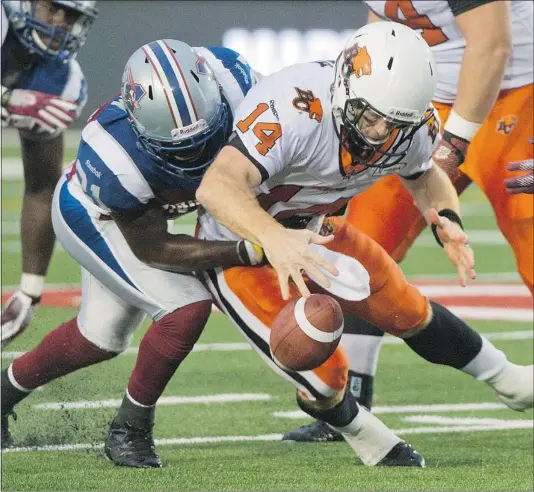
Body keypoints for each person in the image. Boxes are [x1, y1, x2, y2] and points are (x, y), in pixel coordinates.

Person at [195, 21, 533, 467]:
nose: (376, 133)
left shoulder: (409, 125)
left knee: (405, 307)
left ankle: (513, 383)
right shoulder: (296, 107)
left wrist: (445, 217)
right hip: (241, 246)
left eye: (391, 124)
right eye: (368, 116)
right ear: (344, 89)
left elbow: (427, 176)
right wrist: (274, 238)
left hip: (316, 230)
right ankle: (368, 437)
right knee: (321, 365)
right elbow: (216, 187)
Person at [1, 39, 265, 468]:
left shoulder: (238, 81)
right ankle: (130, 429)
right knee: (185, 306)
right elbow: (154, 247)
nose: (198, 156)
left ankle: (1, 394)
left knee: (99, 338)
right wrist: (246, 250)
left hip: (145, 212)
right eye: (180, 150)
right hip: (94, 216)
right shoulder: (113, 153)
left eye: (205, 140)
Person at [285, 0, 534, 443]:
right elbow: (384, 28)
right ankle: (350, 397)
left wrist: (452, 142)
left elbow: (493, 46)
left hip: (520, 89)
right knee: (356, 245)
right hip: (421, 100)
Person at [1, 0, 99, 347]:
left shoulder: (62, 79)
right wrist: (8, 101)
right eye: (53, 9)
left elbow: (42, 188)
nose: (61, 23)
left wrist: (29, 293)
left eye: (72, 16)